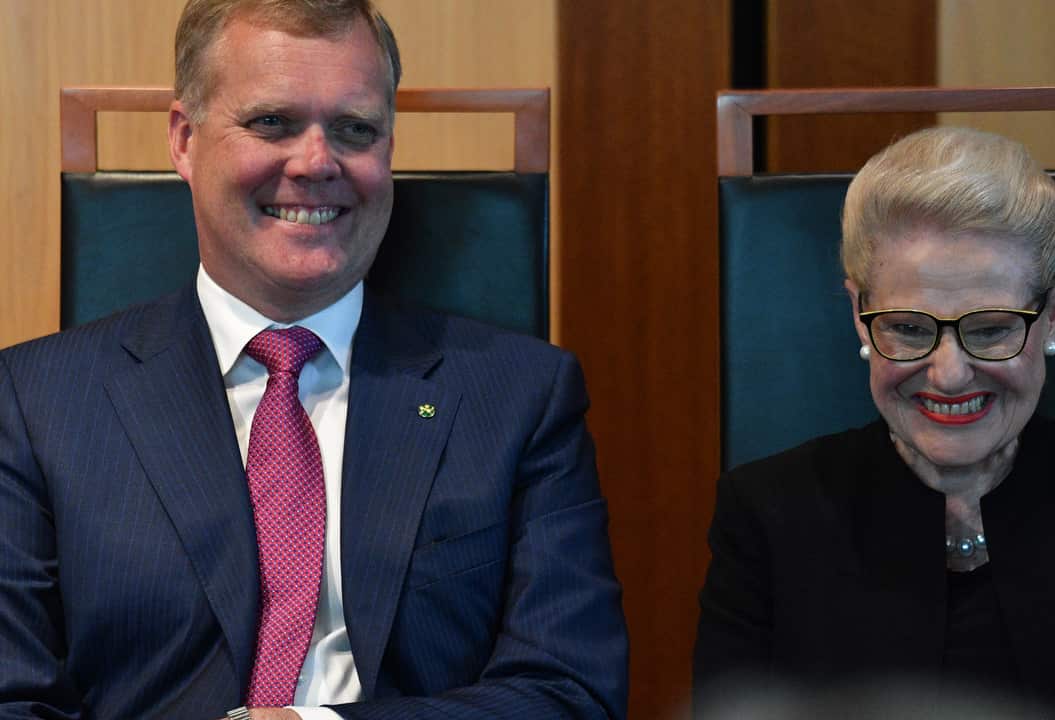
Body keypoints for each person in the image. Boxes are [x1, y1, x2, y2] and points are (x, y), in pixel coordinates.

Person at [0, 1, 627, 718]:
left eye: (355, 129)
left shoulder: (521, 398)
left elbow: (570, 695)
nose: (317, 162)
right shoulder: (31, 405)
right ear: (183, 139)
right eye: (273, 123)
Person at [692, 126, 1055, 717]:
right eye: (908, 328)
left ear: (1054, 314)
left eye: (990, 329)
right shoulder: (764, 516)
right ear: (861, 319)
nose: (950, 374)